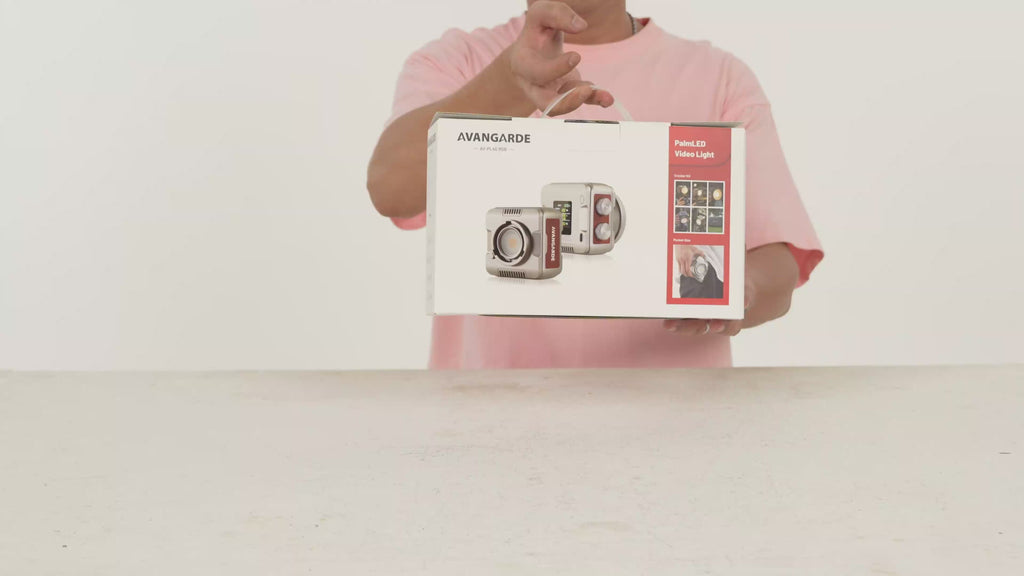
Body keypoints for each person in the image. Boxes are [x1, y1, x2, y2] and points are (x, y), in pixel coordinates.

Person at [366, 1, 824, 369]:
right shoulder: (457, 61)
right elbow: (390, 188)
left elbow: (778, 263)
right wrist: (506, 84)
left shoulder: (718, 77)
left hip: (677, 429)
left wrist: (730, 289)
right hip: (490, 421)